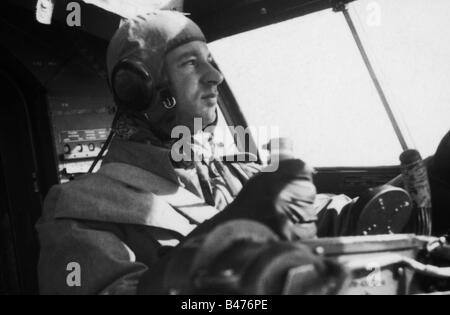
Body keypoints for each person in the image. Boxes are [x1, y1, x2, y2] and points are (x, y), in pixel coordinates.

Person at [36, 10, 320, 295]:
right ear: (137, 88)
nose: (215, 76)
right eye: (191, 63)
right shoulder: (76, 208)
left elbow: (316, 212)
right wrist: (224, 234)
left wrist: (359, 211)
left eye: (209, 61)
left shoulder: (234, 171)